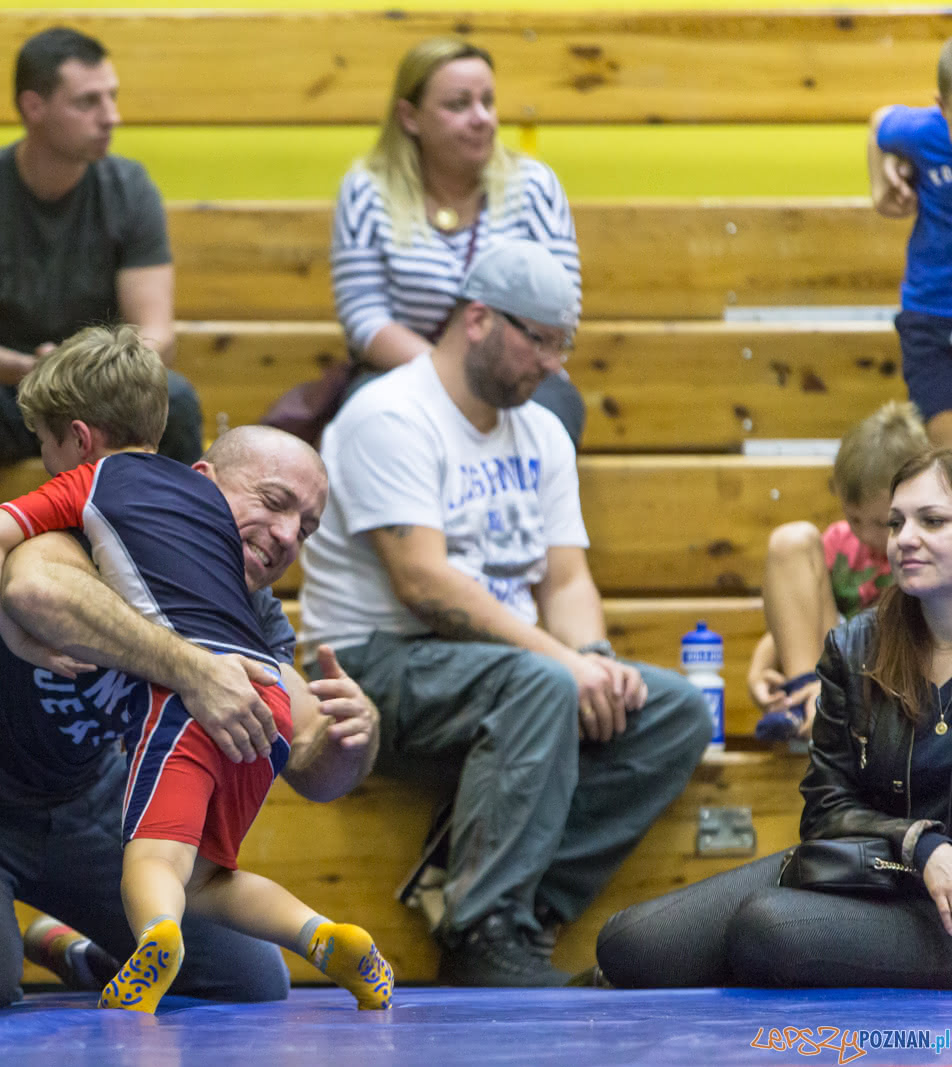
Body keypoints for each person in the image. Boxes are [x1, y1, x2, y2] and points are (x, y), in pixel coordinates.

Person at [0, 384, 380, 1014]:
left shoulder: (247, 608)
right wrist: (191, 667)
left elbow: (309, 757)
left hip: (82, 797)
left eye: (307, 526)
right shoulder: (105, 516)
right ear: (199, 484)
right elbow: (37, 590)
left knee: (247, 979)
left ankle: (83, 954)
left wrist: (350, 736)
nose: (286, 535)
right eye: (273, 503)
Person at [299, 238, 711, 986]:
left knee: (674, 710)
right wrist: (563, 663)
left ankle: (520, 912)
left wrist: (598, 658)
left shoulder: (542, 430)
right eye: (542, 342)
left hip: (499, 672)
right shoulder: (388, 414)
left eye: (564, 346)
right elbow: (424, 584)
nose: (555, 365)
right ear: (480, 319)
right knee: (543, 683)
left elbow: (566, 579)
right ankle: (481, 932)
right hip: (369, 669)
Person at [598, 448, 952, 988]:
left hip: (943, 910)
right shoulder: (856, 645)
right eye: (897, 522)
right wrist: (917, 846)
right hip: (869, 868)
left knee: (769, 929)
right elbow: (826, 809)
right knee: (629, 945)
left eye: (932, 521)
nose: (904, 538)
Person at [0, 25, 204, 598]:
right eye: (89, 101)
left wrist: (79, 372)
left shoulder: (129, 187)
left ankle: (181, 578)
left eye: (112, 96)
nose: (110, 115)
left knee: (179, 397)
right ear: (33, 107)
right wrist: (28, 369)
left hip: (100, 399)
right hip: (6, 393)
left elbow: (157, 333)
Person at [331, 37, 584, 444]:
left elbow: (560, 305)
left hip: (519, 372)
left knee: (553, 414)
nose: (481, 117)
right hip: (403, 372)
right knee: (371, 416)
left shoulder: (534, 186)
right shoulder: (366, 190)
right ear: (410, 117)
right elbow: (365, 317)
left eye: (488, 101)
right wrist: (447, 378)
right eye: (458, 104)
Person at [747, 401, 928, 741]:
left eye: (881, 522)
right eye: (853, 518)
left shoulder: (923, 549)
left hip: (903, 676)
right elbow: (800, 617)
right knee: (792, 540)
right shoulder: (840, 544)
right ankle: (805, 700)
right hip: (840, 669)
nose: (866, 534)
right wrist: (759, 669)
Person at [869, 38, 952, 449]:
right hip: (931, 315)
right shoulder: (925, 134)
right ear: (942, 106)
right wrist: (880, 187)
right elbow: (880, 121)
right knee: (944, 449)